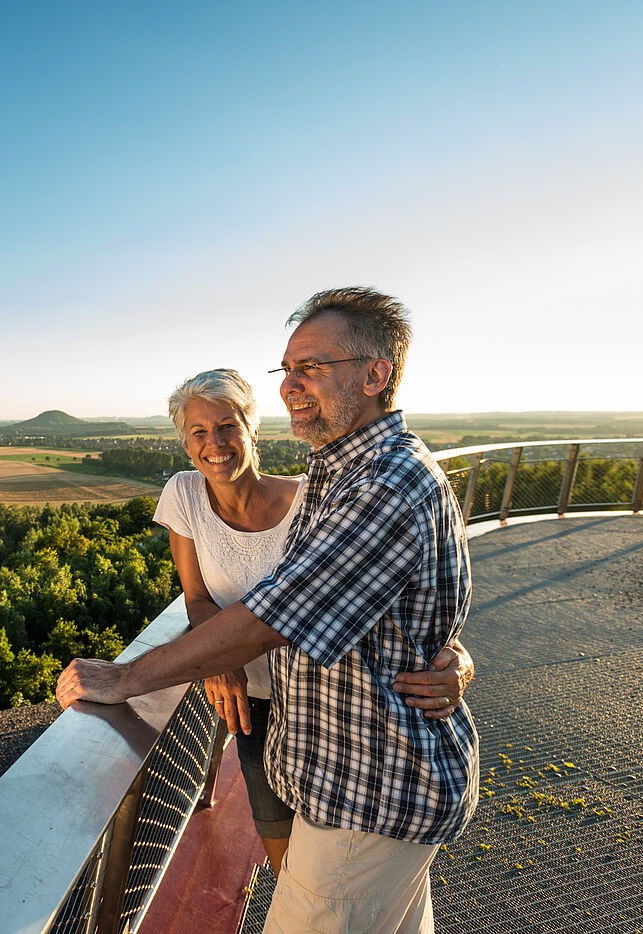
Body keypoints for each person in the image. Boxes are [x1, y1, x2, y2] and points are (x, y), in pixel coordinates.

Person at [57, 287, 479, 934]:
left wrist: (126, 677)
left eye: (312, 367)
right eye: (287, 369)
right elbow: (395, 604)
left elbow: (272, 616)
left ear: (376, 375)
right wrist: (441, 647)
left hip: (368, 791)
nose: (291, 385)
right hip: (338, 769)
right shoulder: (344, 473)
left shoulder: (384, 484)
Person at [156, 366, 473, 877]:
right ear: (185, 443)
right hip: (255, 705)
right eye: (199, 431)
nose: (215, 442)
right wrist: (218, 660)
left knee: (341, 868)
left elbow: (399, 593)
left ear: (252, 429)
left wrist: (456, 656)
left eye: (228, 425)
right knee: (285, 859)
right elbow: (196, 596)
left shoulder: (314, 499)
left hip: (328, 709)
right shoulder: (183, 494)